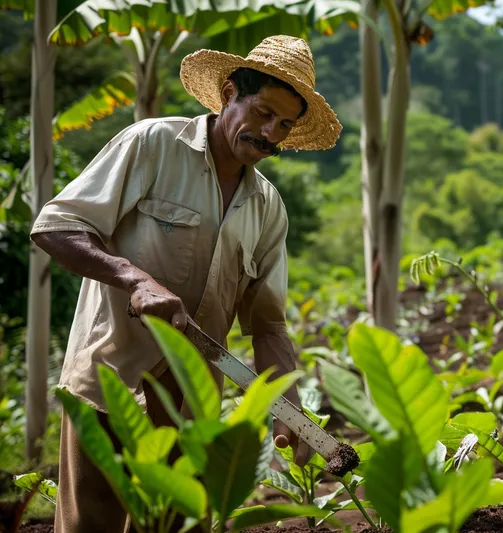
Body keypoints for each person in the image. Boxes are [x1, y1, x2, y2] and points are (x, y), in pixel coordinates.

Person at [29, 34, 342, 533]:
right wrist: (133, 278)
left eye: (284, 125)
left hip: (192, 403)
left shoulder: (268, 207)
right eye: (262, 112)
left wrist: (289, 407)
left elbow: (267, 326)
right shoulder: (152, 145)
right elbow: (56, 226)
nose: (270, 133)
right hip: (110, 382)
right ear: (228, 92)